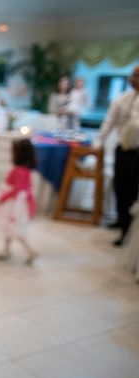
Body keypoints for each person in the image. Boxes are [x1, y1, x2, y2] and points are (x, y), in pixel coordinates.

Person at [97, 65, 139, 247]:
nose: (133, 79)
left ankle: (131, 229)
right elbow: (109, 122)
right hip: (123, 150)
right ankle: (122, 223)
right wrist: (99, 142)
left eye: (137, 76)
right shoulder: (121, 99)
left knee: (133, 191)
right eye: (133, 75)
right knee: (120, 188)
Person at [0, 138, 38, 264]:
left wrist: (2, 198)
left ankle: (29, 251)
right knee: (9, 228)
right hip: (17, 203)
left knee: (14, 229)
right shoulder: (25, 170)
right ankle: (7, 249)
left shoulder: (19, 171)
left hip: (13, 205)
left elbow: (17, 189)